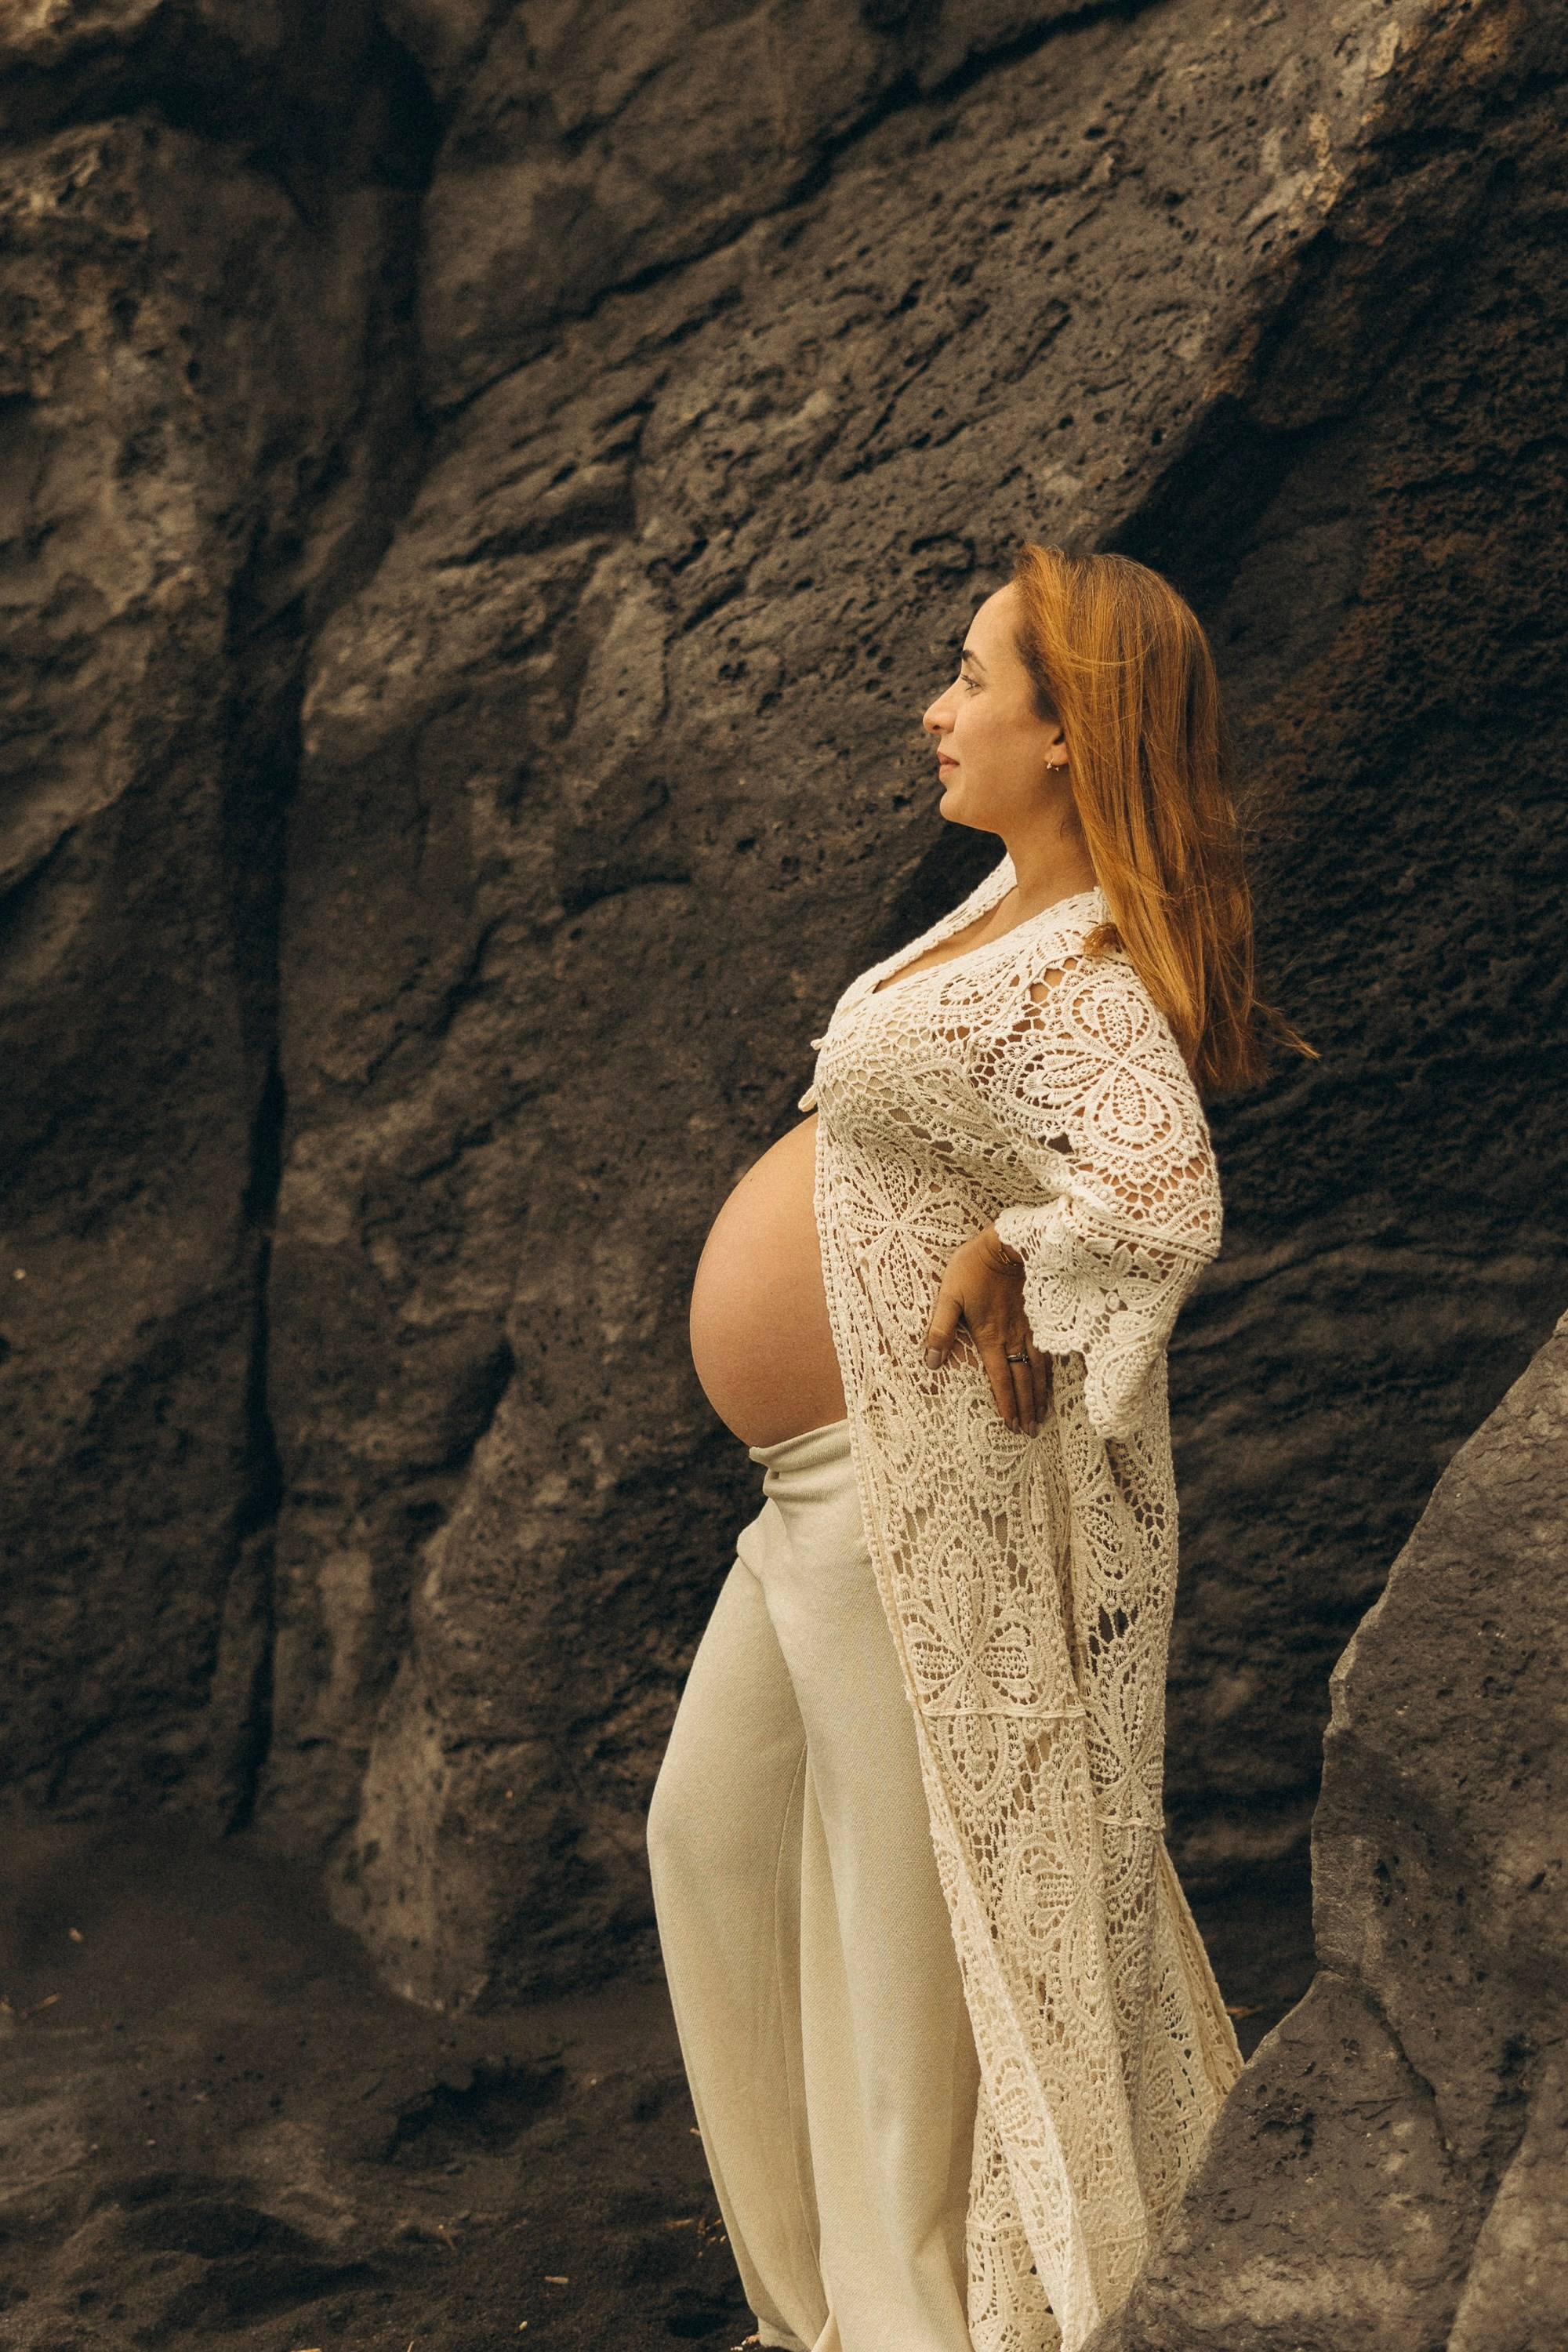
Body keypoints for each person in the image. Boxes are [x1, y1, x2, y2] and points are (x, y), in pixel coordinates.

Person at [649, 543, 1304, 2352]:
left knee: (904, 1930)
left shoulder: (1080, 976)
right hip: (806, 1497)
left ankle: (918, 2322)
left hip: (905, 1495)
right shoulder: (987, 915)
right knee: (705, 1840)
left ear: (1069, 730)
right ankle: (818, 2313)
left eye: (971, 679)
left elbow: (1163, 1201)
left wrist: (1014, 1248)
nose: (936, 710)